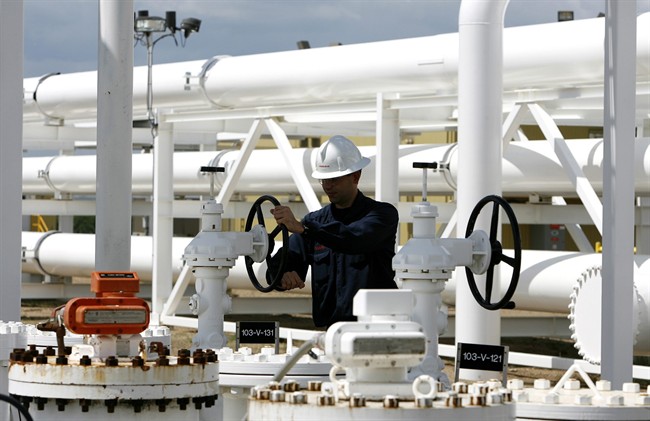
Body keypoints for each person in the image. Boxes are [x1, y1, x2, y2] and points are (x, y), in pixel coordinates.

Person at [269, 135, 399, 328]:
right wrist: (282, 276)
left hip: (378, 328)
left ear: (356, 176)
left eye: (334, 179)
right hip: (331, 331)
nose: (328, 186)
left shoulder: (382, 215)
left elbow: (353, 238)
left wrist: (305, 230)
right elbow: (280, 264)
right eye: (323, 180)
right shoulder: (314, 222)